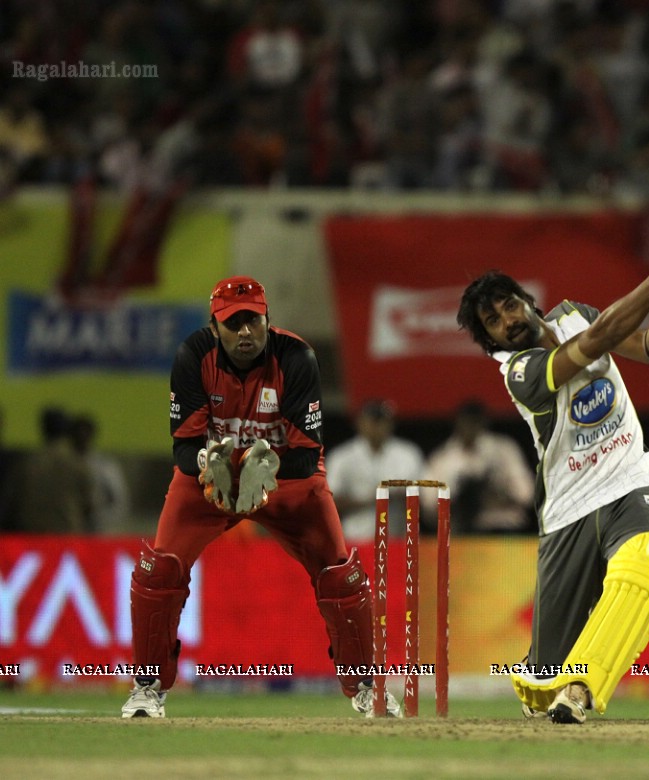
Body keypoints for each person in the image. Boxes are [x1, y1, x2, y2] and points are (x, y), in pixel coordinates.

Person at [456, 243, 649, 724]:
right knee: (543, 681)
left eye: (509, 304)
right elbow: (598, 340)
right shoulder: (519, 374)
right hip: (570, 510)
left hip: (631, 479)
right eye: (493, 321)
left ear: (528, 299)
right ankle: (550, 680)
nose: (508, 320)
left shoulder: (574, 313)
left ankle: (582, 690)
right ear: (491, 341)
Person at [121, 276, 398, 719]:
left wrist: (259, 465)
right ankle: (147, 688)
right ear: (215, 328)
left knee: (340, 577)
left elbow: (306, 456)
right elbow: (183, 447)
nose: (245, 332)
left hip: (286, 479)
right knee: (159, 573)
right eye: (234, 324)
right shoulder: (193, 355)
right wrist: (218, 465)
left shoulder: (296, 357)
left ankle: (368, 688)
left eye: (253, 320)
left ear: (268, 319)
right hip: (212, 481)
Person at [423, 399, 534, 533]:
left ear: (484, 422)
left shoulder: (504, 450)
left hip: (505, 531)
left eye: (475, 421)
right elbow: (428, 506)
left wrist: (499, 492)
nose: (470, 426)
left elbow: (526, 495)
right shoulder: (442, 458)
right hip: (461, 533)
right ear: (456, 423)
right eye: (466, 421)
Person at [325, 398, 425, 542]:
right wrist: (371, 498)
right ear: (359, 422)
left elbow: (424, 499)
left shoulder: (408, 453)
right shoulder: (342, 456)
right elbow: (329, 501)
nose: (377, 426)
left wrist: (396, 494)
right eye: (372, 420)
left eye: (382, 421)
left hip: (398, 540)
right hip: (356, 539)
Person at [10, 407, 94, 533]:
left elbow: (13, 502)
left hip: (32, 539)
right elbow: (89, 506)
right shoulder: (76, 462)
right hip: (66, 537)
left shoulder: (29, 462)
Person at [70, 414, 131, 534]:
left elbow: (119, 501)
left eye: (85, 433)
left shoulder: (104, 466)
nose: (82, 438)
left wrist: (100, 520)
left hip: (99, 530)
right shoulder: (65, 466)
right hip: (70, 530)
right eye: (78, 434)